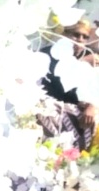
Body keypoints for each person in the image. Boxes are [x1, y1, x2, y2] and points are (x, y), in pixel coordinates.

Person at [39, 19, 97, 151]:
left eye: (85, 37)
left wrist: (92, 105)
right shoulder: (47, 55)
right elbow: (61, 89)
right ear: (63, 34)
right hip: (50, 114)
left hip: (75, 120)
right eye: (75, 35)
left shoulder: (87, 58)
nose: (80, 40)